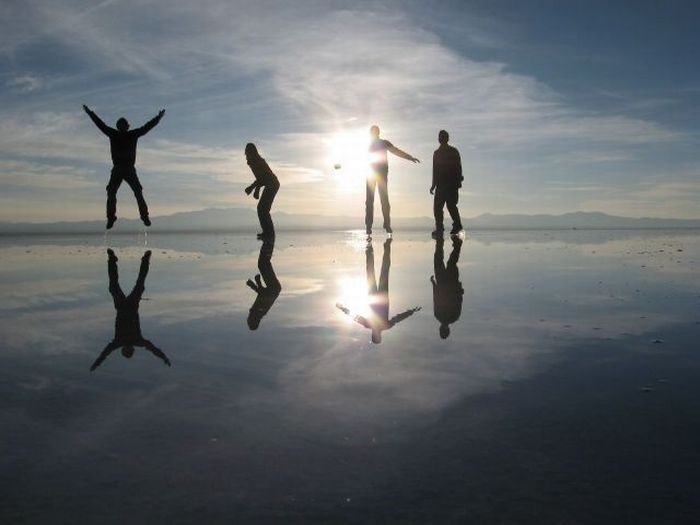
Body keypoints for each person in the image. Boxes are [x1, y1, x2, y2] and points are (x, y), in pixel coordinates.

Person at [83, 105, 165, 229]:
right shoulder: (115, 134)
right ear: (120, 127)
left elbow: (147, 127)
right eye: (121, 125)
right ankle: (113, 217)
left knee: (135, 192)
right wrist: (90, 113)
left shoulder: (130, 134)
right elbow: (100, 124)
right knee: (114, 192)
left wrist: (158, 118)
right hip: (119, 169)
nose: (122, 127)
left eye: (123, 125)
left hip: (127, 169)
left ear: (127, 127)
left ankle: (143, 217)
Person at [90, 249, 170, 371]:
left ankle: (112, 259)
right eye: (129, 350)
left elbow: (105, 353)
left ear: (123, 349)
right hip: (132, 306)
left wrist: (96, 364)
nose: (127, 348)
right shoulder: (137, 341)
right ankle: (145, 260)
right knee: (139, 283)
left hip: (121, 306)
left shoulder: (118, 342)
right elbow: (153, 348)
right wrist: (163, 357)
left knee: (114, 285)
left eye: (126, 350)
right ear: (131, 349)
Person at [336, 239, 421, 344]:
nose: (376, 334)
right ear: (378, 335)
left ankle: (371, 247)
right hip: (381, 296)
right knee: (378, 271)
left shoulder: (376, 325)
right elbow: (398, 318)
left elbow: (354, 316)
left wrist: (342, 308)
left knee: (375, 271)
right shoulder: (380, 325)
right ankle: (379, 247)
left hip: (375, 297)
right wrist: (411, 312)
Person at [366, 125, 420, 236]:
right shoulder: (370, 145)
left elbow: (396, 151)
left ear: (376, 133)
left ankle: (385, 224)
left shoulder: (383, 143)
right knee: (372, 201)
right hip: (372, 175)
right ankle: (370, 226)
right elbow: (395, 151)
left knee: (382, 200)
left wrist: (409, 157)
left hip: (380, 175)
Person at [430, 129, 463, 236]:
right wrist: (433, 185)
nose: (441, 139)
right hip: (442, 185)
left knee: (451, 206)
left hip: (451, 185)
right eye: (440, 137)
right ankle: (440, 228)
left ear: (446, 139)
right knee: (438, 208)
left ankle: (457, 226)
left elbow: (458, 168)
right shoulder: (437, 153)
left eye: (442, 137)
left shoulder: (453, 151)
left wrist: (458, 181)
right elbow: (435, 170)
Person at [244, 143, 280, 240]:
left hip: (273, 184)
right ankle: (268, 233)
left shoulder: (257, 162)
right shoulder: (253, 162)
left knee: (262, 209)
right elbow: (260, 178)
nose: (246, 155)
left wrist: (253, 188)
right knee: (262, 209)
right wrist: (255, 189)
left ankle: (269, 234)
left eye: (247, 152)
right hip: (270, 184)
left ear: (252, 152)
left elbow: (264, 177)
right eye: (246, 153)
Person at [431, 236, 464, 339]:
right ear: (441, 329)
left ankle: (456, 244)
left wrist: (459, 289)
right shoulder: (439, 316)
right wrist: (433, 284)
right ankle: (441, 241)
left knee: (450, 261)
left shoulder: (455, 317)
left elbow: (459, 300)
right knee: (440, 259)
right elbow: (436, 298)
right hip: (444, 282)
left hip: (449, 283)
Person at [246, 240, 282, 330]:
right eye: (249, 320)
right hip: (273, 288)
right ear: (253, 320)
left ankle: (268, 243)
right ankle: (268, 242)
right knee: (263, 263)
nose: (248, 318)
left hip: (273, 288)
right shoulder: (258, 312)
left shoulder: (257, 312)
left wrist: (254, 284)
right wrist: (256, 283)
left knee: (263, 264)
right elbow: (263, 294)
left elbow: (261, 294)